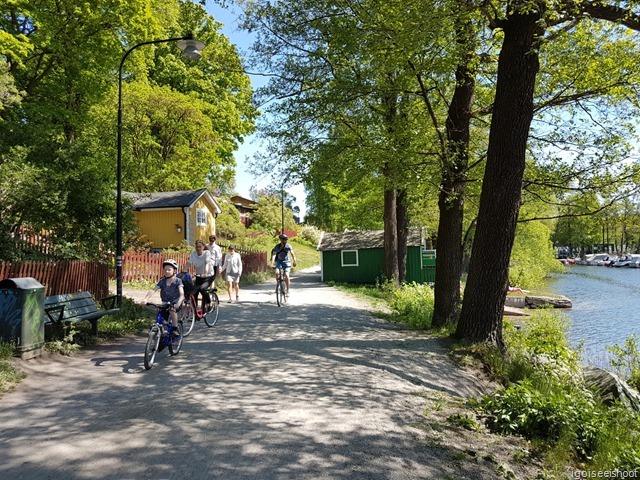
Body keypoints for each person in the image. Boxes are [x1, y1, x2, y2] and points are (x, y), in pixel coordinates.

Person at [145, 259, 184, 337]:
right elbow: (153, 290)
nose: (166, 271)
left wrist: (178, 303)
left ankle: (175, 328)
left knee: (172, 310)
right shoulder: (162, 281)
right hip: (165, 302)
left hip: (175, 303)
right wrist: (145, 299)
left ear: (175, 271)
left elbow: (182, 294)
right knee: (161, 317)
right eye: (165, 270)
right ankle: (161, 333)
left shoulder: (177, 281)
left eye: (169, 270)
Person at [184, 239, 215, 310]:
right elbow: (188, 264)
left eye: (200, 247)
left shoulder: (207, 253)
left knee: (202, 289)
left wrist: (205, 273)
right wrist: (184, 271)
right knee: (194, 291)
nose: (198, 248)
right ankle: (195, 311)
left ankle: (209, 302)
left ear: (203, 247)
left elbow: (207, 263)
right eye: (197, 247)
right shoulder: (194, 254)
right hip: (199, 276)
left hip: (208, 276)